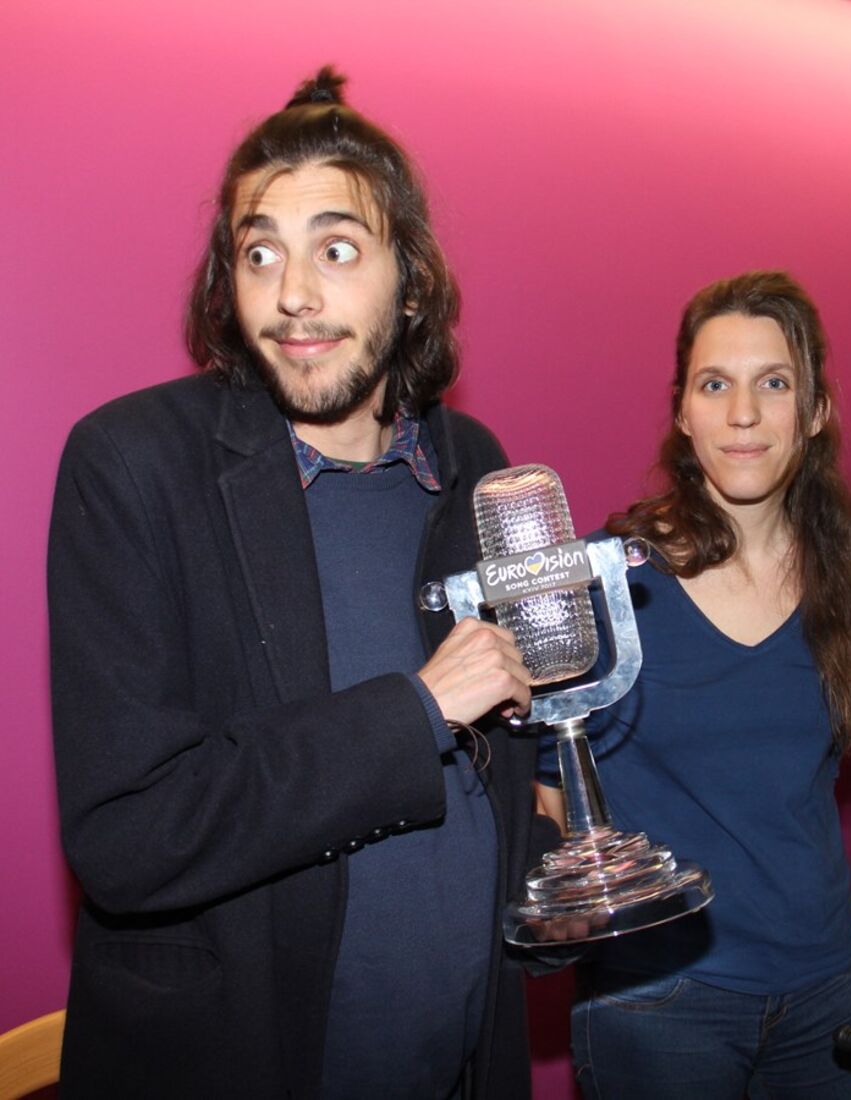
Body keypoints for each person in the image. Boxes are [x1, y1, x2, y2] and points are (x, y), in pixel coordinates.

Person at [47, 66, 558, 1099]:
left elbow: (504, 731)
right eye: (259, 252)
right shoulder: (133, 464)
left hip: (459, 1058)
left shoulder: (472, 459)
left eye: (336, 249)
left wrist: (542, 812)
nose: (293, 294)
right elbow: (129, 837)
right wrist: (416, 710)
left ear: (410, 281)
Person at [537, 272, 851, 1098]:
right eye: (714, 385)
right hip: (657, 995)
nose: (743, 413)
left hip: (825, 977)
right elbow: (549, 793)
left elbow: (810, 776)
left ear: (814, 411)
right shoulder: (604, 576)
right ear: (682, 411)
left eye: (773, 383)